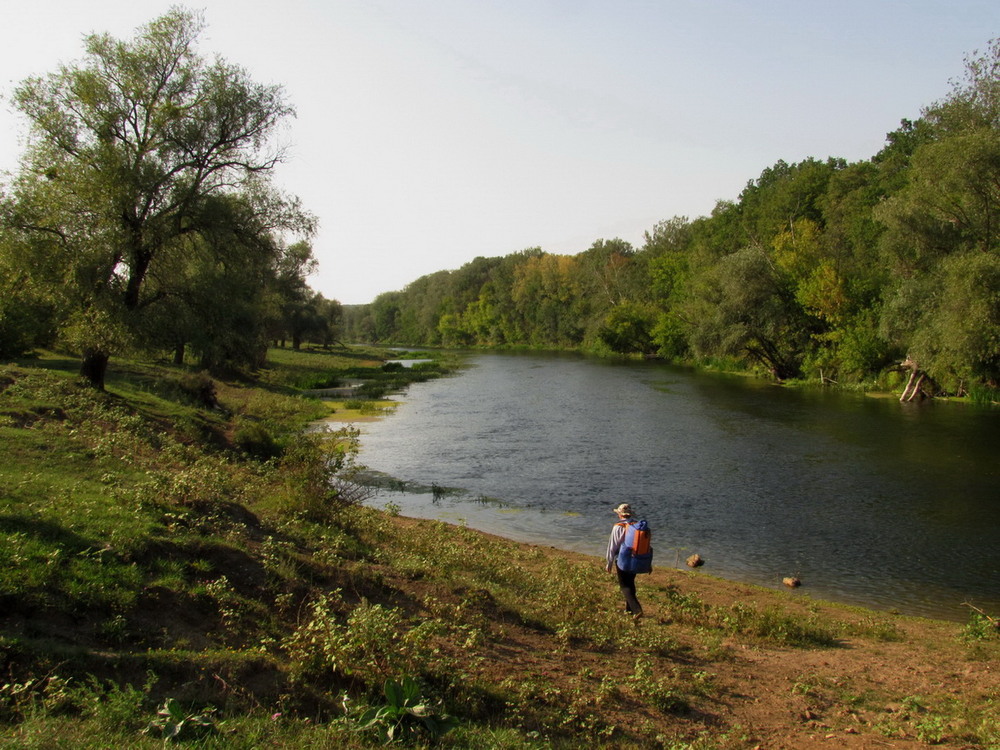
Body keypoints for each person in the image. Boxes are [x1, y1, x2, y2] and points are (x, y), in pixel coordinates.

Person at [605, 502, 644, 619]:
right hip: (635, 558)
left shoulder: (618, 527)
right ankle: (629, 611)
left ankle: (637, 609)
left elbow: (613, 546)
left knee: (624, 586)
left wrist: (609, 562)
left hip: (622, 559)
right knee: (630, 583)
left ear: (620, 515)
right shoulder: (636, 525)